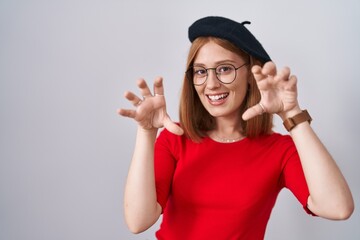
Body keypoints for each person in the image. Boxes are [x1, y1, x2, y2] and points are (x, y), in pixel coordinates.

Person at [118, 16, 354, 239]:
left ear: (251, 75)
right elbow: (138, 221)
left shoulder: (279, 150)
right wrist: (147, 132)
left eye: (224, 69)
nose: (211, 84)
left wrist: (291, 113)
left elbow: (337, 208)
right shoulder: (175, 139)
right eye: (201, 71)